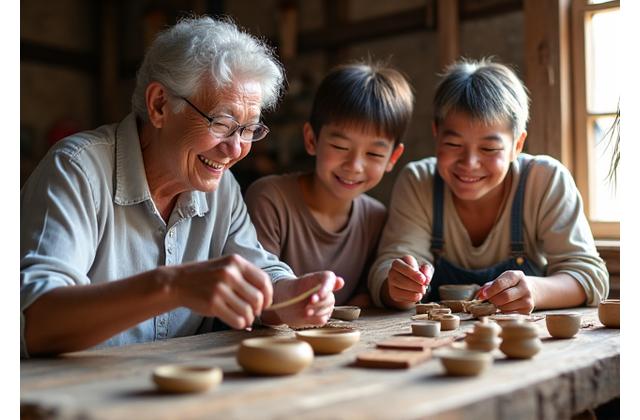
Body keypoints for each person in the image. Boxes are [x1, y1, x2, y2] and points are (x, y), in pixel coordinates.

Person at [20, 16, 344, 358]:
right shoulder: (78, 169)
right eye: (222, 123)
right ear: (160, 105)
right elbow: (35, 321)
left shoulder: (221, 187)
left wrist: (293, 295)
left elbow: (257, 272)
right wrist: (172, 286)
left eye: (249, 129)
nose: (236, 150)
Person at [368, 58, 609, 313]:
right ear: (436, 133)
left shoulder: (544, 180)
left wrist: (535, 291)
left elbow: (589, 275)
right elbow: (385, 270)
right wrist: (399, 286)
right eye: (453, 145)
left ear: (517, 145)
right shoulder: (419, 181)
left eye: (489, 148)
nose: (470, 163)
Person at [245, 61, 413, 307]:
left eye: (374, 154)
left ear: (392, 158)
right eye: (340, 147)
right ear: (311, 139)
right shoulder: (270, 199)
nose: (354, 165)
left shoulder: (376, 219)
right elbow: (255, 289)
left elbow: (365, 298)